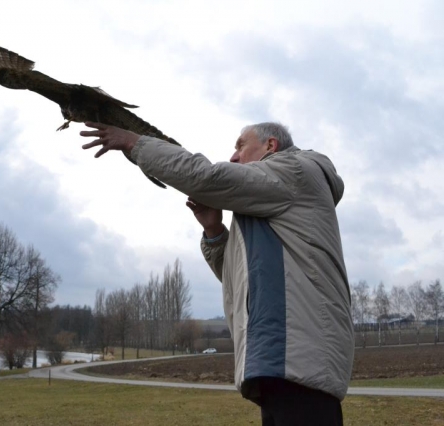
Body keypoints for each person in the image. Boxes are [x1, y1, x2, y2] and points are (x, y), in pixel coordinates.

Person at [81, 121, 354, 426]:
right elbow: (239, 282)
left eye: (240, 145)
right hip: (279, 367)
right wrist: (214, 230)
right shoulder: (264, 208)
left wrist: (136, 143)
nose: (234, 156)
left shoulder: (295, 170)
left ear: (270, 146)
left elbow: (208, 177)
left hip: (302, 364)